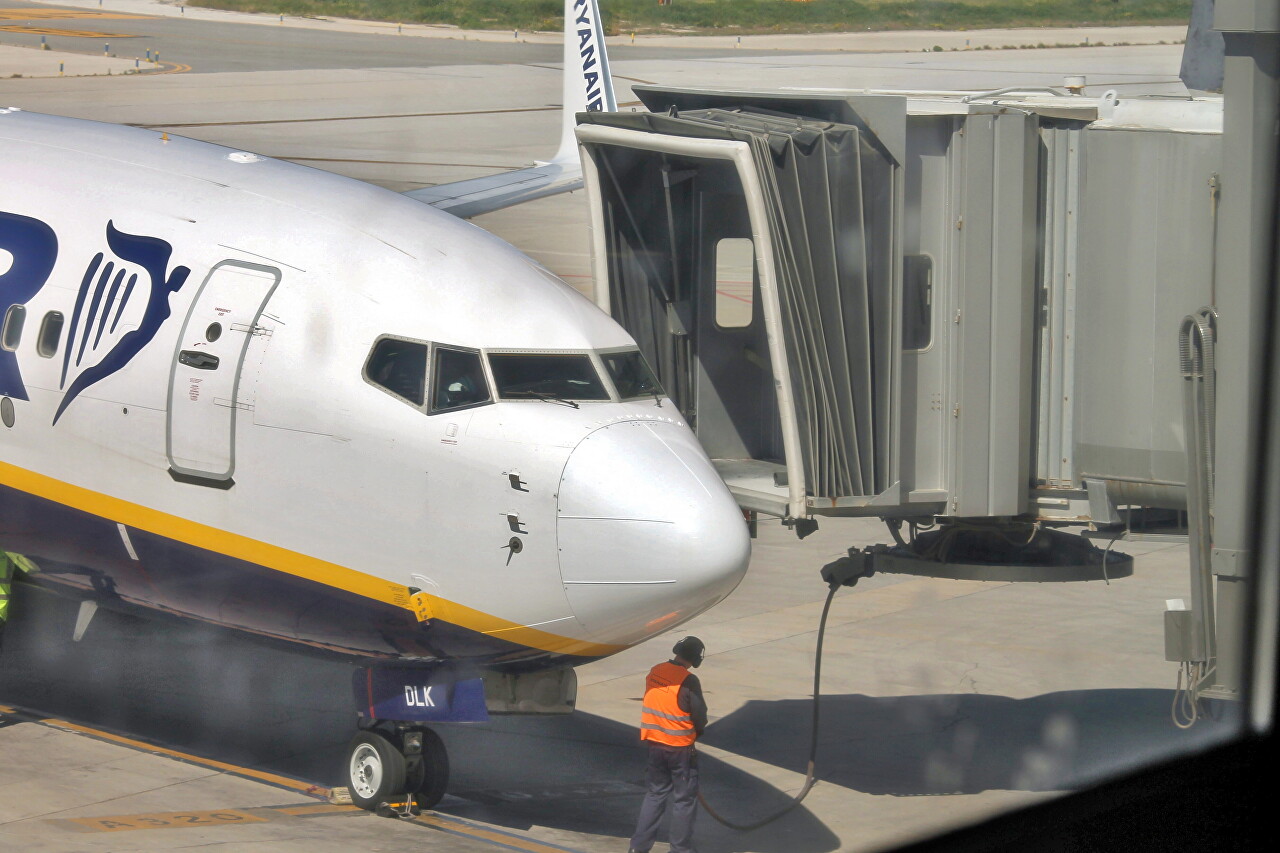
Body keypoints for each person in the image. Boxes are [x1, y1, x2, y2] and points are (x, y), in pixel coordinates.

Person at [629, 635, 708, 853]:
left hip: (655, 745)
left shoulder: (655, 671)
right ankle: (680, 850)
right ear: (695, 659)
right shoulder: (688, 680)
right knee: (683, 801)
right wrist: (696, 733)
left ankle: (638, 848)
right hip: (680, 750)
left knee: (655, 794)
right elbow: (700, 716)